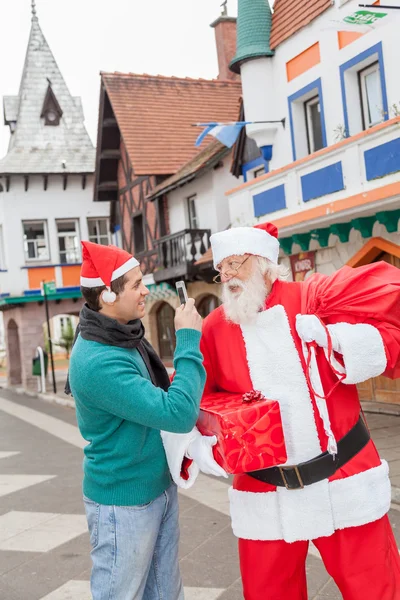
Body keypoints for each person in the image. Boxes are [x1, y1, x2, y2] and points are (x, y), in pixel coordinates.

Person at [166, 222, 400, 600]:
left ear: (263, 263)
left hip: (341, 478)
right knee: (268, 593)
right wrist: (203, 445)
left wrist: (336, 340)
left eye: (235, 264)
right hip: (265, 491)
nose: (226, 277)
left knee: (377, 589)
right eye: (221, 269)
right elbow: (188, 397)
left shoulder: (314, 298)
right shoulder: (212, 327)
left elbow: (387, 300)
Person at [68, 241, 206, 600]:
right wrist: (188, 338)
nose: (146, 290)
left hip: (155, 488)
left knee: (163, 594)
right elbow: (177, 413)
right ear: (107, 297)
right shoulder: (99, 359)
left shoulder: (121, 336)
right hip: (122, 503)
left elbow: (152, 397)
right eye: (135, 284)